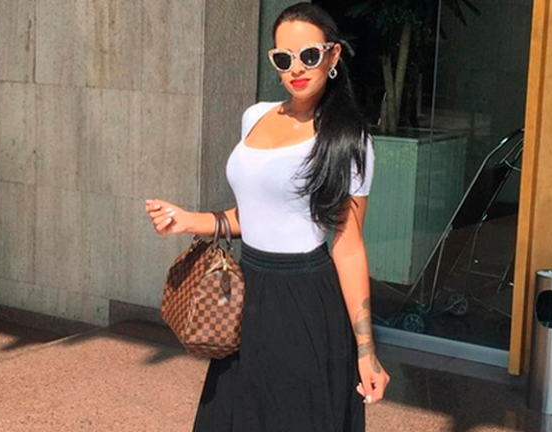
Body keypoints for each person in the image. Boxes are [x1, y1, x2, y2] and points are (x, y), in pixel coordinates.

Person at [144, 3, 389, 431]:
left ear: (333, 55)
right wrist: (187, 220)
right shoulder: (254, 117)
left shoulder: (349, 140)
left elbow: (348, 245)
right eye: (283, 58)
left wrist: (366, 350)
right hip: (247, 291)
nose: (297, 69)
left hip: (306, 300)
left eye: (309, 55)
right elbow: (253, 215)